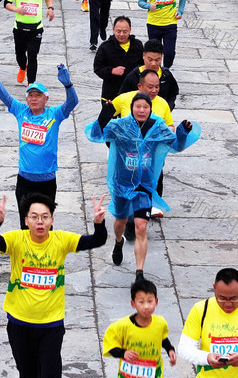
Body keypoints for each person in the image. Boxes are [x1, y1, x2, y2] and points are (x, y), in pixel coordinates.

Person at [0, 192, 108, 378]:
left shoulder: (62, 240)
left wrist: (99, 223)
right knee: (27, 373)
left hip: (51, 325)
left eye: (44, 217)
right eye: (34, 217)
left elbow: (98, 240)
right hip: (19, 323)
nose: (39, 221)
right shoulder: (17, 239)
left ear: (52, 220)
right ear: (26, 221)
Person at [86, 94, 200, 282]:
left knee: (141, 226)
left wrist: (182, 132)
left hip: (143, 186)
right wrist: (103, 116)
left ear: (150, 109)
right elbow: (95, 135)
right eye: (137, 106)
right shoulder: (119, 126)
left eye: (145, 107)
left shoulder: (158, 127)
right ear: (131, 108)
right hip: (122, 184)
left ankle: (139, 273)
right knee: (121, 222)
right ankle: (118, 241)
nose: (141, 110)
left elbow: (176, 145)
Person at [0, 44, 77, 228]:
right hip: (24, 181)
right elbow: (0, 90)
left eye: (38, 95)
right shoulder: (20, 110)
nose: (33, 98)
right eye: (30, 95)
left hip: (47, 181)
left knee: (45, 226)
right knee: (26, 226)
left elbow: (73, 102)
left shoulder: (54, 114)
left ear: (46, 99)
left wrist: (68, 85)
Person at [178, 268, 238, 375]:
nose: (228, 304)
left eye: (234, 298)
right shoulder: (201, 310)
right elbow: (184, 348)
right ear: (214, 289)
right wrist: (206, 358)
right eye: (222, 298)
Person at [102, 279, 177, 378]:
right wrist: (123, 353)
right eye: (141, 302)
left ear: (156, 301)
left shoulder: (160, 323)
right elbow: (110, 346)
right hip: (129, 374)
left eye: (150, 301)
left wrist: (170, 350)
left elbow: (162, 338)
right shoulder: (122, 327)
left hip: (154, 373)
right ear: (133, 304)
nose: (146, 306)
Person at [4, 0, 55, 85]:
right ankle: (22, 67)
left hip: (36, 29)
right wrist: (17, 9)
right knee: (20, 55)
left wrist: (51, 8)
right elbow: (6, 3)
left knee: (33, 56)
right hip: (19, 28)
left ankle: (31, 83)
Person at [138, 0, 186, 70]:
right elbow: (140, 2)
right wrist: (149, 6)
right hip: (154, 23)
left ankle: (166, 69)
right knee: (154, 53)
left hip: (170, 23)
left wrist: (180, 11)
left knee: (169, 52)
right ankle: (155, 71)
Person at [93, 16, 145, 103]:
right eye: (118, 31)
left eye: (125, 31)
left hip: (133, 94)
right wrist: (112, 71)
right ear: (113, 29)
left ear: (130, 30)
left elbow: (144, 65)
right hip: (110, 94)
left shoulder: (137, 45)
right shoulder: (105, 47)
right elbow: (97, 68)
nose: (121, 34)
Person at [118, 39, 179, 109]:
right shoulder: (133, 76)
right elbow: (121, 98)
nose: (153, 64)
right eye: (150, 59)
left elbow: (172, 94)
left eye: (157, 60)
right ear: (144, 55)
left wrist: (167, 108)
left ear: (162, 57)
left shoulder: (167, 76)